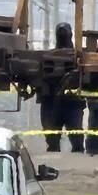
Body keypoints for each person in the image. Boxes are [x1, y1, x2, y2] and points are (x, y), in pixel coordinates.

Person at [39, 23, 84, 153]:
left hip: (70, 103)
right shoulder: (51, 57)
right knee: (53, 142)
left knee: (76, 142)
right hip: (53, 101)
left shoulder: (77, 58)